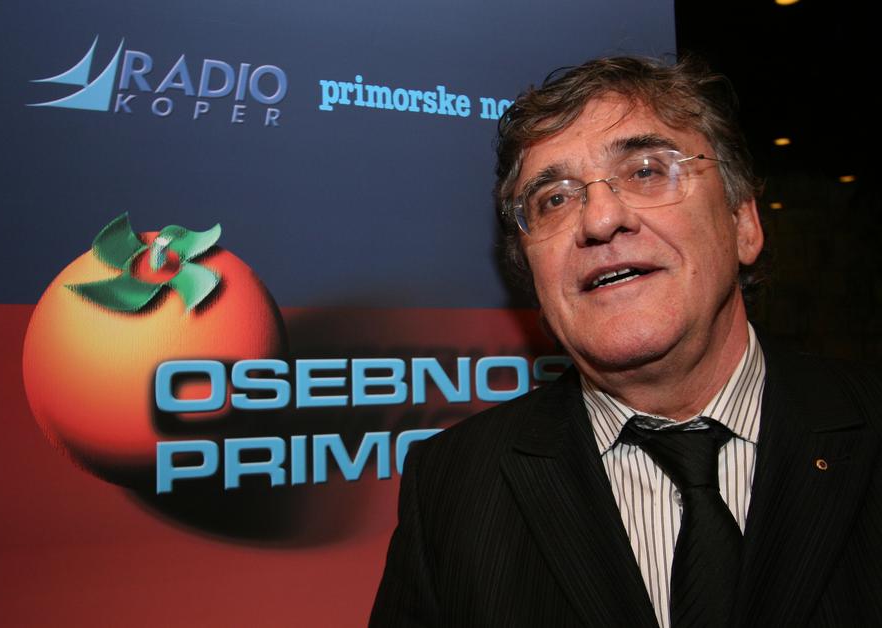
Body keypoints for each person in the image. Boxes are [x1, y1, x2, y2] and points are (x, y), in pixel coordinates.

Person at [370, 56, 882, 627]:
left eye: (644, 171)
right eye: (554, 199)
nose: (600, 219)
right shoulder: (451, 487)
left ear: (743, 223)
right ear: (532, 274)